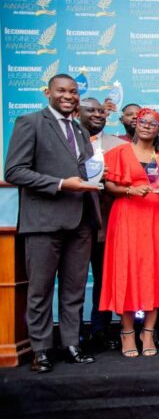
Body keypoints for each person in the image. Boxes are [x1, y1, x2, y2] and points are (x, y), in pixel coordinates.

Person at [5, 74, 101, 372]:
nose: (69, 96)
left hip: (80, 221)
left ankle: (71, 343)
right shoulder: (30, 123)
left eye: (73, 92)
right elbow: (15, 171)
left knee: (74, 289)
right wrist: (60, 184)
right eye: (62, 91)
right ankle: (42, 349)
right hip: (44, 222)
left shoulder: (80, 130)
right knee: (40, 290)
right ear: (48, 92)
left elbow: (84, 170)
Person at [100, 108, 159, 357]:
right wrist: (129, 191)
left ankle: (148, 332)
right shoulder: (118, 152)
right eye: (142, 122)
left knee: (156, 271)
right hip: (128, 216)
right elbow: (108, 185)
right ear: (135, 125)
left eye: (153, 123)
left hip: (158, 218)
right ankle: (126, 332)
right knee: (126, 271)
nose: (147, 126)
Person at [78, 98, 127, 350]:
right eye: (91, 110)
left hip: (106, 224)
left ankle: (100, 330)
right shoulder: (66, 142)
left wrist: (112, 178)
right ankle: (73, 335)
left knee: (103, 279)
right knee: (73, 283)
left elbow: (129, 182)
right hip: (72, 223)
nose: (98, 114)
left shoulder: (119, 146)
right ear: (77, 113)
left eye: (101, 111)